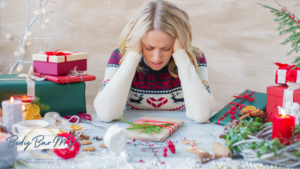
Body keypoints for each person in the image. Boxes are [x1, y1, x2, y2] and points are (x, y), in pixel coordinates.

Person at [94, 0, 216, 123]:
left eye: (166, 48)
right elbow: (106, 113)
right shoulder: (119, 57)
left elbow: (201, 115)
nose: (157, 58)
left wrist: (181, 56)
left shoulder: (195, 58)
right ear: (139, 41)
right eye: (149, 47)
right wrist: (132, 57)